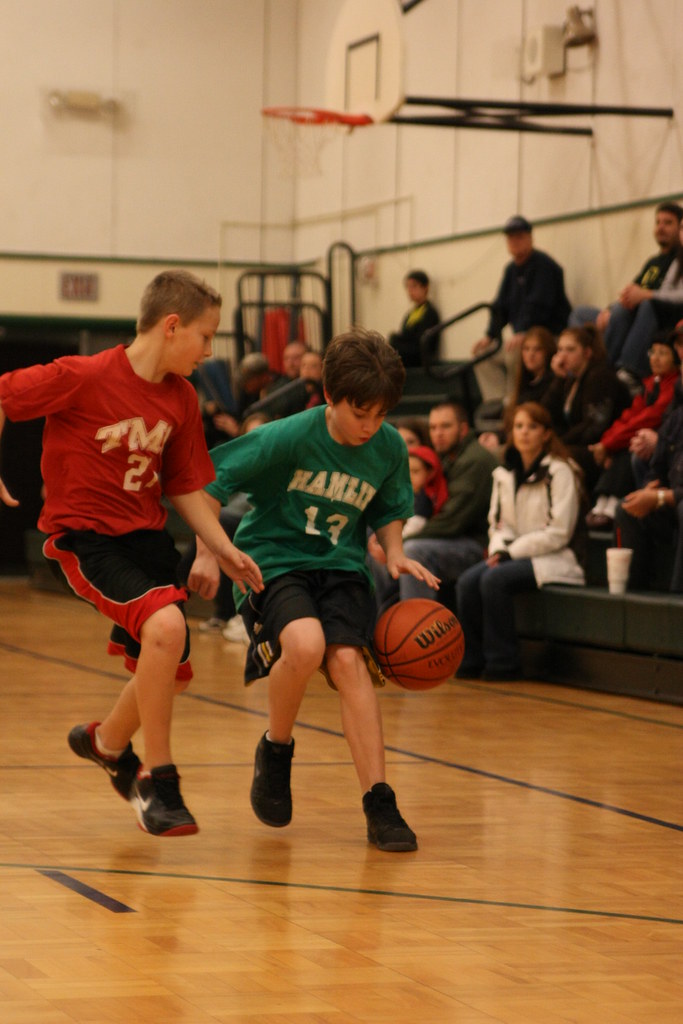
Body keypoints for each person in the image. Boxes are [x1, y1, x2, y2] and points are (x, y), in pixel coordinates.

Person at [0, 270, 263, 836]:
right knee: (166, 629)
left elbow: (187, 487)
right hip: (85, 539)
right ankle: (159, 780)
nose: (210, 350)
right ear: (172, 327)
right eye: (206, 335)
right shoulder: (82, 375)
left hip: (146, 540)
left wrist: (219, 548)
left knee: (175, 672)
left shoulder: (182, 397)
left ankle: (106, 742)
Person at [189, 327, 440, 852]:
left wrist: (394, 552)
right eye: (360, 413)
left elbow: (390, 507)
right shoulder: (289, 436)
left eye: (380, 415)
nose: (370, 427)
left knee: (348, 663)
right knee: (305, 645)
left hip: (342, 565)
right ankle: (276, 749)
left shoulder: (389, 445)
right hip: (275, 561)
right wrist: (208, 552)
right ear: (329, 396)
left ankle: (379, 800)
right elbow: (208, 482)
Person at [456, 402, 585, 681]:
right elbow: (498, 524)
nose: (524, 432)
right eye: (519, 426)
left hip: (554, 557)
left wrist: (510, 553)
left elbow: (559, 532)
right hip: (513, 553)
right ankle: (471, 658)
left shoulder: (561, 471)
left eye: (532, 427)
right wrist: (501, 549)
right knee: (467, 581)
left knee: (494, 580)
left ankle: (503, 662)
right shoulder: (504, 474)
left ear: (547, 434)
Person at [369, 400, 497, 610]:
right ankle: (383, 625)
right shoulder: (446, 457)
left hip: (477, 545)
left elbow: (451, 522)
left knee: (413, 550)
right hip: (450, 540)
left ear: (463, 429)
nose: (438, 433)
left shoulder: (474, 460)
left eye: (445, 426)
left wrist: (395, 547)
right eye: (433, 427)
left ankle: (417, 630)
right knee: (372, 537)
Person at [471, 216, 571, 404]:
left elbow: (540, 305)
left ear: (530, 238)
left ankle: (513, 403)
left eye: (519, 237)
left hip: (549, 336)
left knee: (516, 351)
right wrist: (490, 335)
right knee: (481, 355)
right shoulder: (511, 270)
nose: (514, 242)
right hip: (523, 337)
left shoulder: (545, 266)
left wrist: (525, 331)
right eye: (511, 238)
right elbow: (500, 305)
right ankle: (497, 402)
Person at [586, 331, 679, 529]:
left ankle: (614, 501)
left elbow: (649, 418)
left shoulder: (673, 387)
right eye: (652, 352)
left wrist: (608, 444)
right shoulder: (651, 384)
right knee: (630, 441)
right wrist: (607, 442)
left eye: (663, 353)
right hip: (645, 442)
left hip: (659, 448)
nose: (655, 358)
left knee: (636, 444)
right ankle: (604, 499)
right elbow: (629, 416)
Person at [615, 325, 683, 593]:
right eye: (680, 346)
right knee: (627, 508)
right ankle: (634, 600)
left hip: (677, 500)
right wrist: (653, 483)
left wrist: (659, 498)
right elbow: (661, 455)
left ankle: (678, 605)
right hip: (673, 498)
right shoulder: (678, 403)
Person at [542, 324, 631, 490]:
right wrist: (558, 379)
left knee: (552, 457)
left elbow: (593, 427)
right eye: (560, 349)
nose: (562, 357)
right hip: (581, 445)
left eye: (570, 350)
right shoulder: (571, 379)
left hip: (604, 449)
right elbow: (545, 414)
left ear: (587, 352)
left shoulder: (600, 376)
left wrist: (557, 445)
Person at [603, 217, 683, 388]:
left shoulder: (672, 258)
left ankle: (630, 371)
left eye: (668, 223)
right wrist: (625, 299)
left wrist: (648, 295)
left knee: (648, 304)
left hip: (676, 312)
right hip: (666, 308)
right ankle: (605, 367)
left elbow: (674, 296)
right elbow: (666, 289)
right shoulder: (677, 260)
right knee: (620, 309)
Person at [478, 326, 556, 453]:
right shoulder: (524, 383)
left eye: (537, 349)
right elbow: (512, 423)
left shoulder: (553, 383)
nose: (530, 354)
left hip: (539, 446)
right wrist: (495, 436)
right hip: (519, 442)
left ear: (548, 352)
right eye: (526, 349)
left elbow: (538, 420)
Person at [389, 269, 441, 368]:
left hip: (420, 358)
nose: (410, 291)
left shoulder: (430, 312)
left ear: (425, 287)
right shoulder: (410, 314)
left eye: (414, 286)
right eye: (408, 287)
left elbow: (423, 343)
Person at [403, 444, 448, 538]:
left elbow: (414, 527)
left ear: (430, 473)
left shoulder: (425, 497)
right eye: (406, 471)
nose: (409, 476)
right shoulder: (409, 493)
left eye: (415, 471)